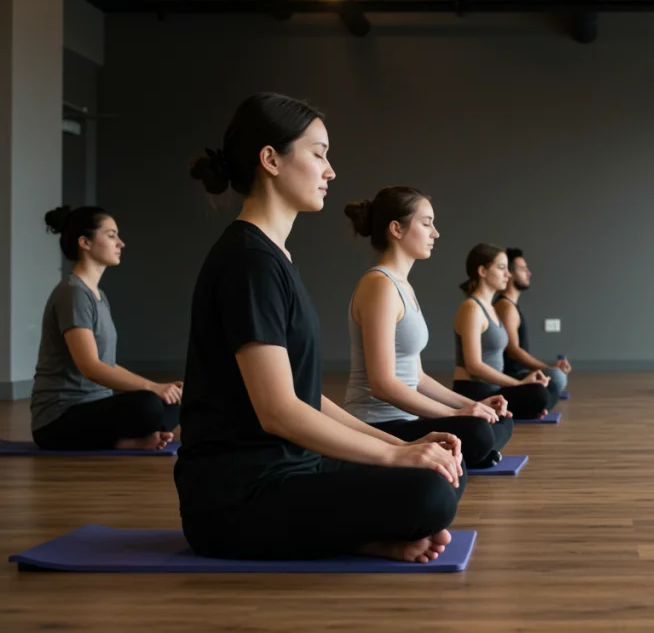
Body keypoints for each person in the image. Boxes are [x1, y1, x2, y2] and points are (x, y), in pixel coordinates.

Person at [175, 92, 464, 563]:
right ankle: (361, 534)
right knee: (427, 494)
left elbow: (306, 396)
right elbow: (278, 412)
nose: (330, 171)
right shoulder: (248, 262)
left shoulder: (275, 257)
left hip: (292, 468)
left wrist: (402, 443)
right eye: (318, 153)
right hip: (238, 497)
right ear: (270, 158)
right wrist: (396, 457)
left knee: (443, 468)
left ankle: (366, 538)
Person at [343, 187, 513, 469]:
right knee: (479, 432)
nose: (435, 233)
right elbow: (382, 385)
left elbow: (417, 377)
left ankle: (469, 452)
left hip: (408, 418)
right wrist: (457, 414)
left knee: (499, 420)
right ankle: (472, 453)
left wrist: (472, 404)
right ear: (396, 228)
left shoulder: (403, 286)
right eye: (426, 223)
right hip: (378, 423)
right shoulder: (379, 286)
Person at [30, 205, 182, 451]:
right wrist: (153, 388)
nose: (121, 243)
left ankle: (128, 440)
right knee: (149, 405)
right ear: (85, 242)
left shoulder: (97, 295)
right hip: (58, 420)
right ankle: (127, 440)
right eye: (111, 235)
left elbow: (106, 363)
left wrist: (160, 387)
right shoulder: (73, 293)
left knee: (176, 400)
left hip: (94, 409)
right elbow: (90, 366)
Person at [452, 244, 554, 419]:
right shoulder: (472, 308)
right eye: (501, 268)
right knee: (538, 394)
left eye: (508, 269)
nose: (508, 274)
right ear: (483, 271)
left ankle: (524, 409)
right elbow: (473, 366)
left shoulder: (491, 308)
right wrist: (518, 384)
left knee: (545, 388)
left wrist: (522, 384)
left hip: (494, 388)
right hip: (474, 390)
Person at [494, 247, 570, 402]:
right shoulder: (506, 307)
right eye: (523, 269)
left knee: (556, 377)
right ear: (509, 273)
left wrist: (548, 368)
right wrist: (546, 368)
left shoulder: (511, 306)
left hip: (520, 373)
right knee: (556, 377)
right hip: (510, 377)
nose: (529, 273)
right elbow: (513, 350)